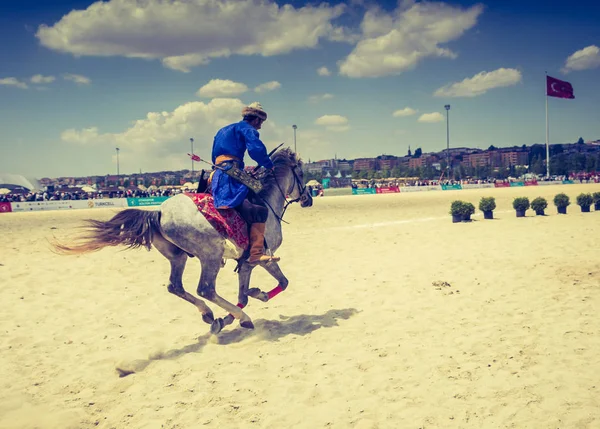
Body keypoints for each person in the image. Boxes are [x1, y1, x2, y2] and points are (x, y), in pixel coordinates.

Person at [210, 102, 280, 265]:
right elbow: (256, 149)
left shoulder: (223, 130)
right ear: (256, 120)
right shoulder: (247, 129)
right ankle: (256, 252)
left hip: (217, 172)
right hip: (231, 172)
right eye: (261, 123)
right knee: (259, 206)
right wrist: (269, 165)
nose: (260, 127)